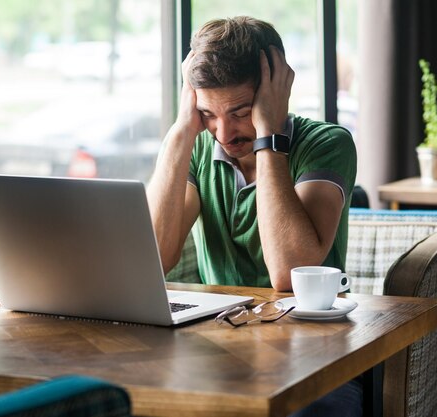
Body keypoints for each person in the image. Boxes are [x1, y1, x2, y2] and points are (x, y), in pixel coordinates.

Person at [147, 16, 360, 417]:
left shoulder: (327, 144)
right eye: (208, 113)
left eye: (241, 111)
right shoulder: (195, 149)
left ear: (275, 93)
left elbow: (289, 274)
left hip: (315, 356)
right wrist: (181, 130)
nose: (224, 134)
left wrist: (269, 138)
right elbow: (155, 257)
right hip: (219, 346)